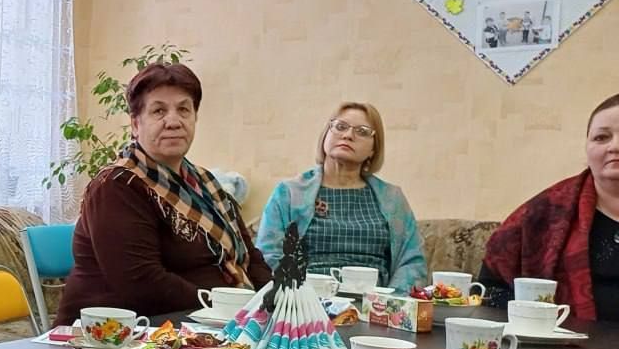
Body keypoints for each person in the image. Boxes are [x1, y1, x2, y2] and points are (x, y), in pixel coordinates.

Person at [52, 63, 272, 326]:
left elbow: (251, 257)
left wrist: (272, 302)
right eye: (159, 111)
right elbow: (143, 283)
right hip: (123, 338)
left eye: (184, 109)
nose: (173, 122)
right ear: (135, 124)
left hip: (212, 325)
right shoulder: (117, 186)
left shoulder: (207, 184)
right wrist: (227, 309)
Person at [479, 93, 619, 323]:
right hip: (557, 343)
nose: (616, 146)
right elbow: (491, 287)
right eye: (601, 137)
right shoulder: (545, 212)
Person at [258, 102, 427, 293]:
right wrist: (298, 298)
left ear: (374, 149)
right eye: (340, 126)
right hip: (305, 298)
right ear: (326, 135)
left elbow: (412, 263)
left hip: (375, 302)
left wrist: (392, 302)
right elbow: (268, 256)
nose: (348, 135)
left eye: (362, 131)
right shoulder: (289, 193)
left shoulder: (392, 199)